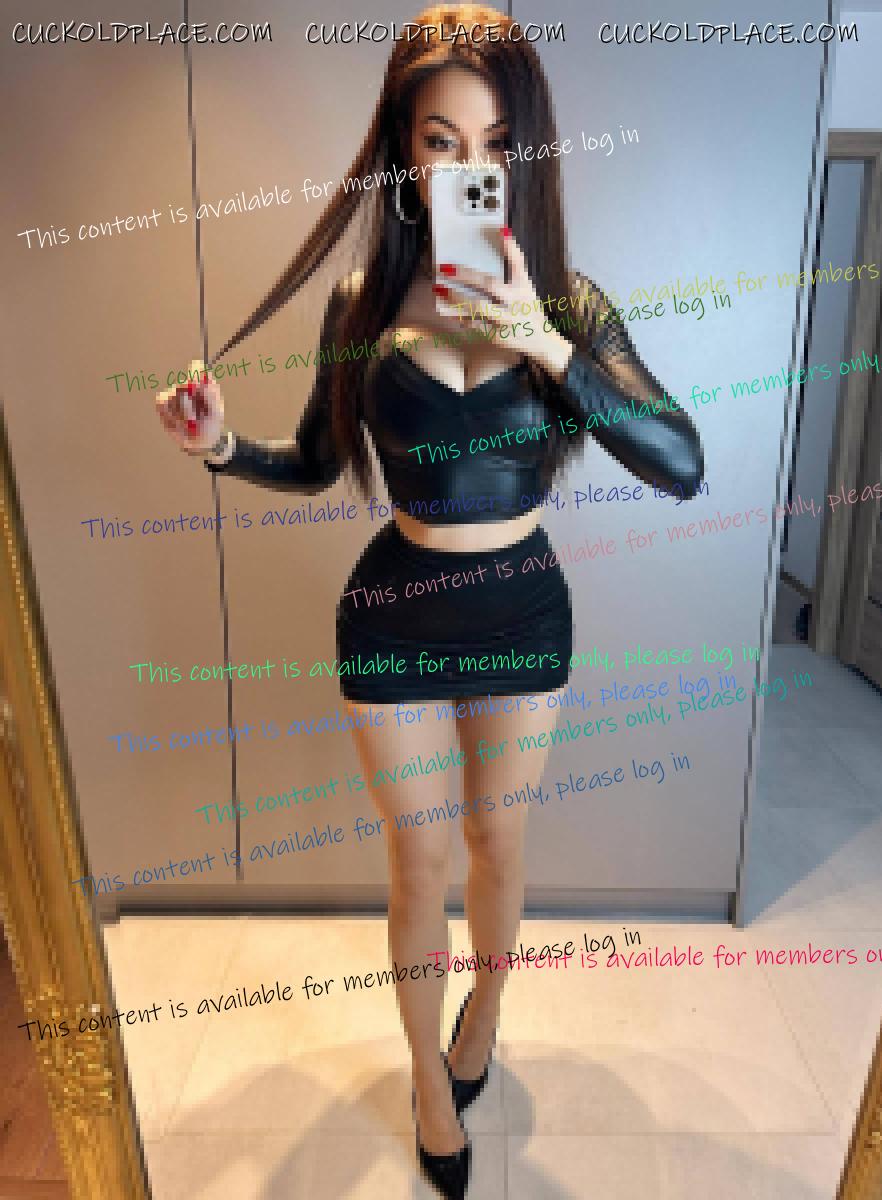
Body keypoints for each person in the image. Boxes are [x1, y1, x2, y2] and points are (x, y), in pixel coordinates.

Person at [157, 6, 704, 1195]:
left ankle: (485, 1015)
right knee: (418, 865)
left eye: (496, 143)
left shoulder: (572, 304)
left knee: (497, 844)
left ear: (529, 153)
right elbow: (316, 463)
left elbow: (681, 463)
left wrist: (546, 344)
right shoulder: (360, 305)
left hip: (522, 611)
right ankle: (424, 1078)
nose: (469, 168)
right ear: (404, 153)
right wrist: (220, 448)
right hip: (394, 612)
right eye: (441, 142)